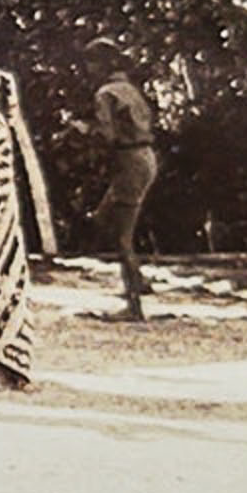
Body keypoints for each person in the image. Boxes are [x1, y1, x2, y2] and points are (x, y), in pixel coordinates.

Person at [85, 36, 158, 320]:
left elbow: (108, 136)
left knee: (121, 236)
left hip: (129, 160)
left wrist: (82, 130)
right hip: (146, 156)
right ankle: (138, 281)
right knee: (103, 218)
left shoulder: (105, 93)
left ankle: (134, 306)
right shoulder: (130, 89)